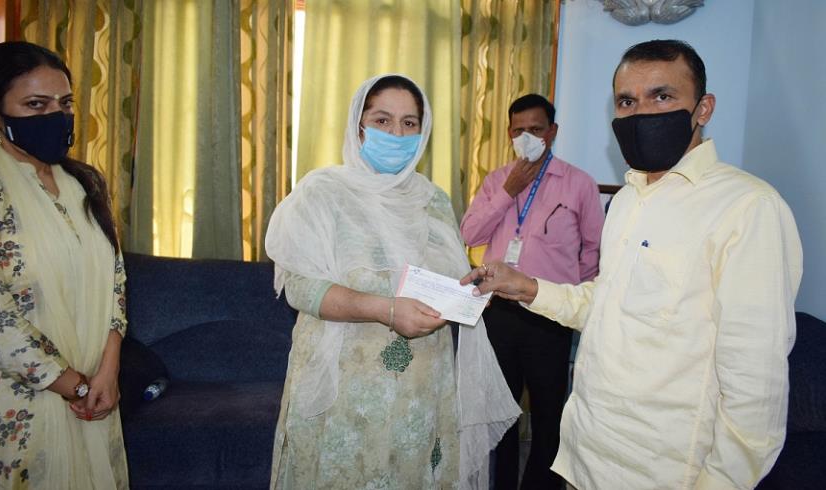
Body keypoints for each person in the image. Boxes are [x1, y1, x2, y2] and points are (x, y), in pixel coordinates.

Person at [461, 40, 803, 489]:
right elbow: (608, 303)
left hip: (665, 470)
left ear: (703, 108)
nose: (642, 113)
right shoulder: (627, 200)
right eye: (627, 101)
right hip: (589, 455)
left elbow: (755, 390)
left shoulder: (747, 208)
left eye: (662, 96)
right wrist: (528, 287)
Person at [265, 74, 520, 489]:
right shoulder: (321, 193)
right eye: (382, 121)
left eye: (409, 123)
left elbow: (442, 280)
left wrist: (471, 291)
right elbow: (300, 288)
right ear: (359, 126)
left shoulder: (433, 200)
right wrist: (386, 310)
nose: (397, 134)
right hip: (345, 393)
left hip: (421, 393)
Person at [0, 42, 128, 488]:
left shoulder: (84, 183)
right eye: (36, 105)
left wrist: (108, 371)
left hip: (96, 395)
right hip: (23, 400)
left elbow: (115, 280)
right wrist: (73, 384)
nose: (57, 115)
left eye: (65, 103)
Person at [460, 94, 603, 489]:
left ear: (552, 132)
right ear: (509, 133)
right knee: (501, 413)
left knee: (548, 416)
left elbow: (593, 250)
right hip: (499, 311)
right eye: (519, 130)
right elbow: (470, 234)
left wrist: (575, 299)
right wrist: (508, 192)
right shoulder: (496, 181)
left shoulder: (579, 183)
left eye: (536, 129)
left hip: (550, 313)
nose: (526, 137)